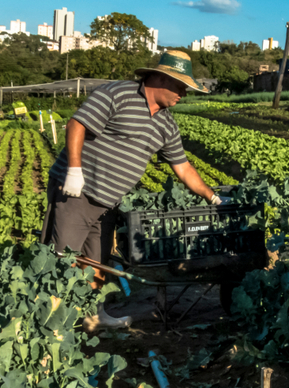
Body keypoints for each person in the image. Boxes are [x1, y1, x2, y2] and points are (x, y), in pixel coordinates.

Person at [40, 50, 223, 328]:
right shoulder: (117, 94)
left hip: (109, 202)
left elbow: (183, 167)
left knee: (97, 261)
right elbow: (76, 124)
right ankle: (50, 324)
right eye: (180, 86)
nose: (183, 94)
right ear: (161, 78)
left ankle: (93, 315)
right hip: (78, 193)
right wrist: (74, 170)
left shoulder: (166, 124)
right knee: (64, 258)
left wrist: (213, 196)